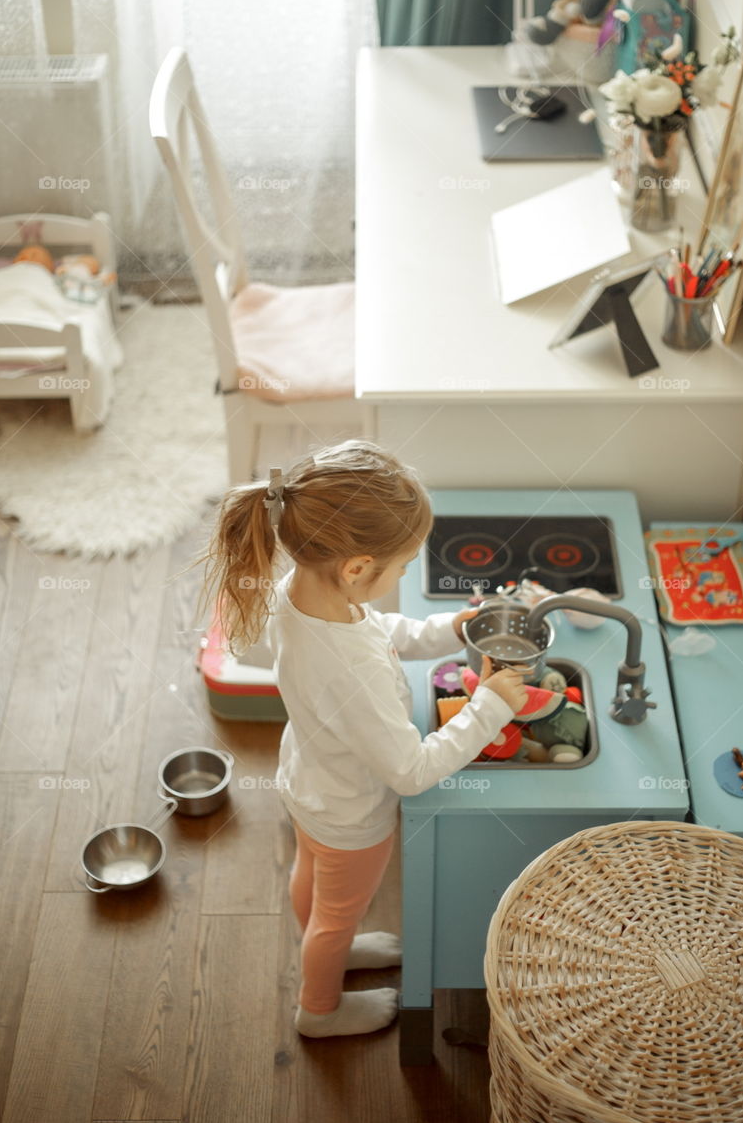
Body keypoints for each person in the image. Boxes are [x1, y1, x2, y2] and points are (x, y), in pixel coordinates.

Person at [202, 441, 527, 1038]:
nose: (403, 576)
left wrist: (447, 629)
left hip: (311, 783)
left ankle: (330, 946)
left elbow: (380, 630)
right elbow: (411, 769)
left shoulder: (304, 597)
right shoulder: (351, 667)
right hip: (353, 815)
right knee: (336, 913)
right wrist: (489, 707)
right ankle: (319, 1010)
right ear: (355, 569)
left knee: (313, 876)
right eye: (402, 567)